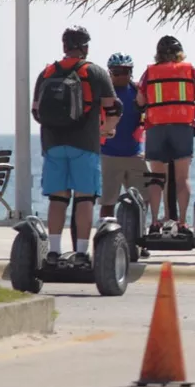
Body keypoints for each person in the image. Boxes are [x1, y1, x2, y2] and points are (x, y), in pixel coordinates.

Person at [32, 26, 116, 264]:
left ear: (64, 46)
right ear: (85, 47)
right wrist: (106, 129)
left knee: (57, 199)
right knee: (84, 199)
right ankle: (81, 253)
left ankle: (54, 252)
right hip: (85, 144)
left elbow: (36, 111)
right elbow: (114, 108)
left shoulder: (46, 73)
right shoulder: (95, 72)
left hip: (52, 144)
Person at [137, 35, 195, 235]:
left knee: (157, 178)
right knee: (182, 178)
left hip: (156, 128)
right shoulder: (189, 70)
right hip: (182, 128)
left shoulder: (149, 72)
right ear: (179, 52)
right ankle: (183, 222)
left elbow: (140, 101)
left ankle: (158, 221)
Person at [99, 52, 148, 224]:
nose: (122, 75)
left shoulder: (138, 91)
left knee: (143, 200)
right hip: (108, 155)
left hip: (134, 154)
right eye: (117, 72)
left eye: (126, 71)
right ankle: (105, 239)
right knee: (107, 202)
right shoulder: (104, 94)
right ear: (109, 72)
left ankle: (138, 243)